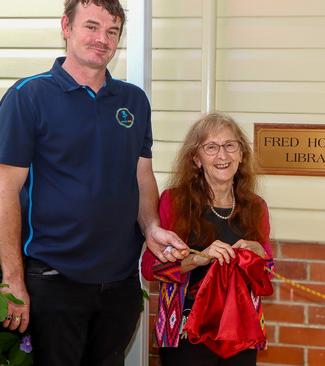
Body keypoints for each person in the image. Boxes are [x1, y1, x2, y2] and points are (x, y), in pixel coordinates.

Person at [0, 1, 188, 365]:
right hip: (55, 280)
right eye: (91, 27)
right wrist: (13, 279)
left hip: (120, 282)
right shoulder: (28, 97)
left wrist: (151, 227)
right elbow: (5, 189)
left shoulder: (134, 101)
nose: (102, 39)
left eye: (112, 31)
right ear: (66, 28)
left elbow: (142, 175)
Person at [141, 113, 274, 365]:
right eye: (211, 147)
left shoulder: (255, 207)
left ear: (241, 154)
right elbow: (150, 268)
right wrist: (198, 259)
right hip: (184, 334)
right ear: (196, 158)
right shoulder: (175, 201)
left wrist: (259, 253)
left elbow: (266, 276)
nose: (222, 156)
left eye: (230, 145)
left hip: (239, 333)